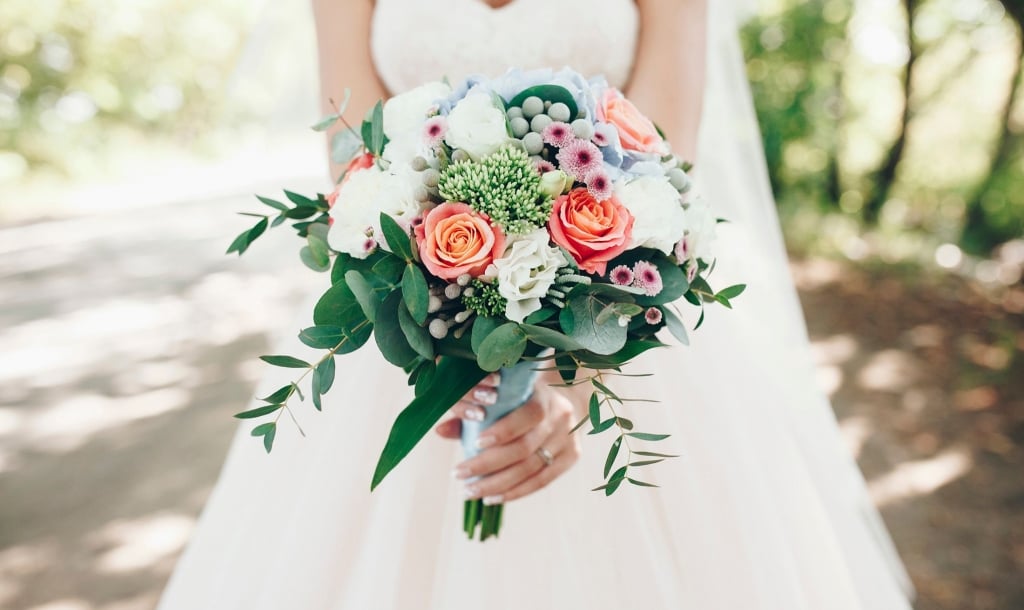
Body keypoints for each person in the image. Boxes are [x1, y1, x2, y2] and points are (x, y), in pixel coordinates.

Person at [159, 1, 916, 608]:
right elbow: (354, 161)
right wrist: (461, 339)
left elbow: (663, 171)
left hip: (622, 307)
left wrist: (565, 377)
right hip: (413, 310)